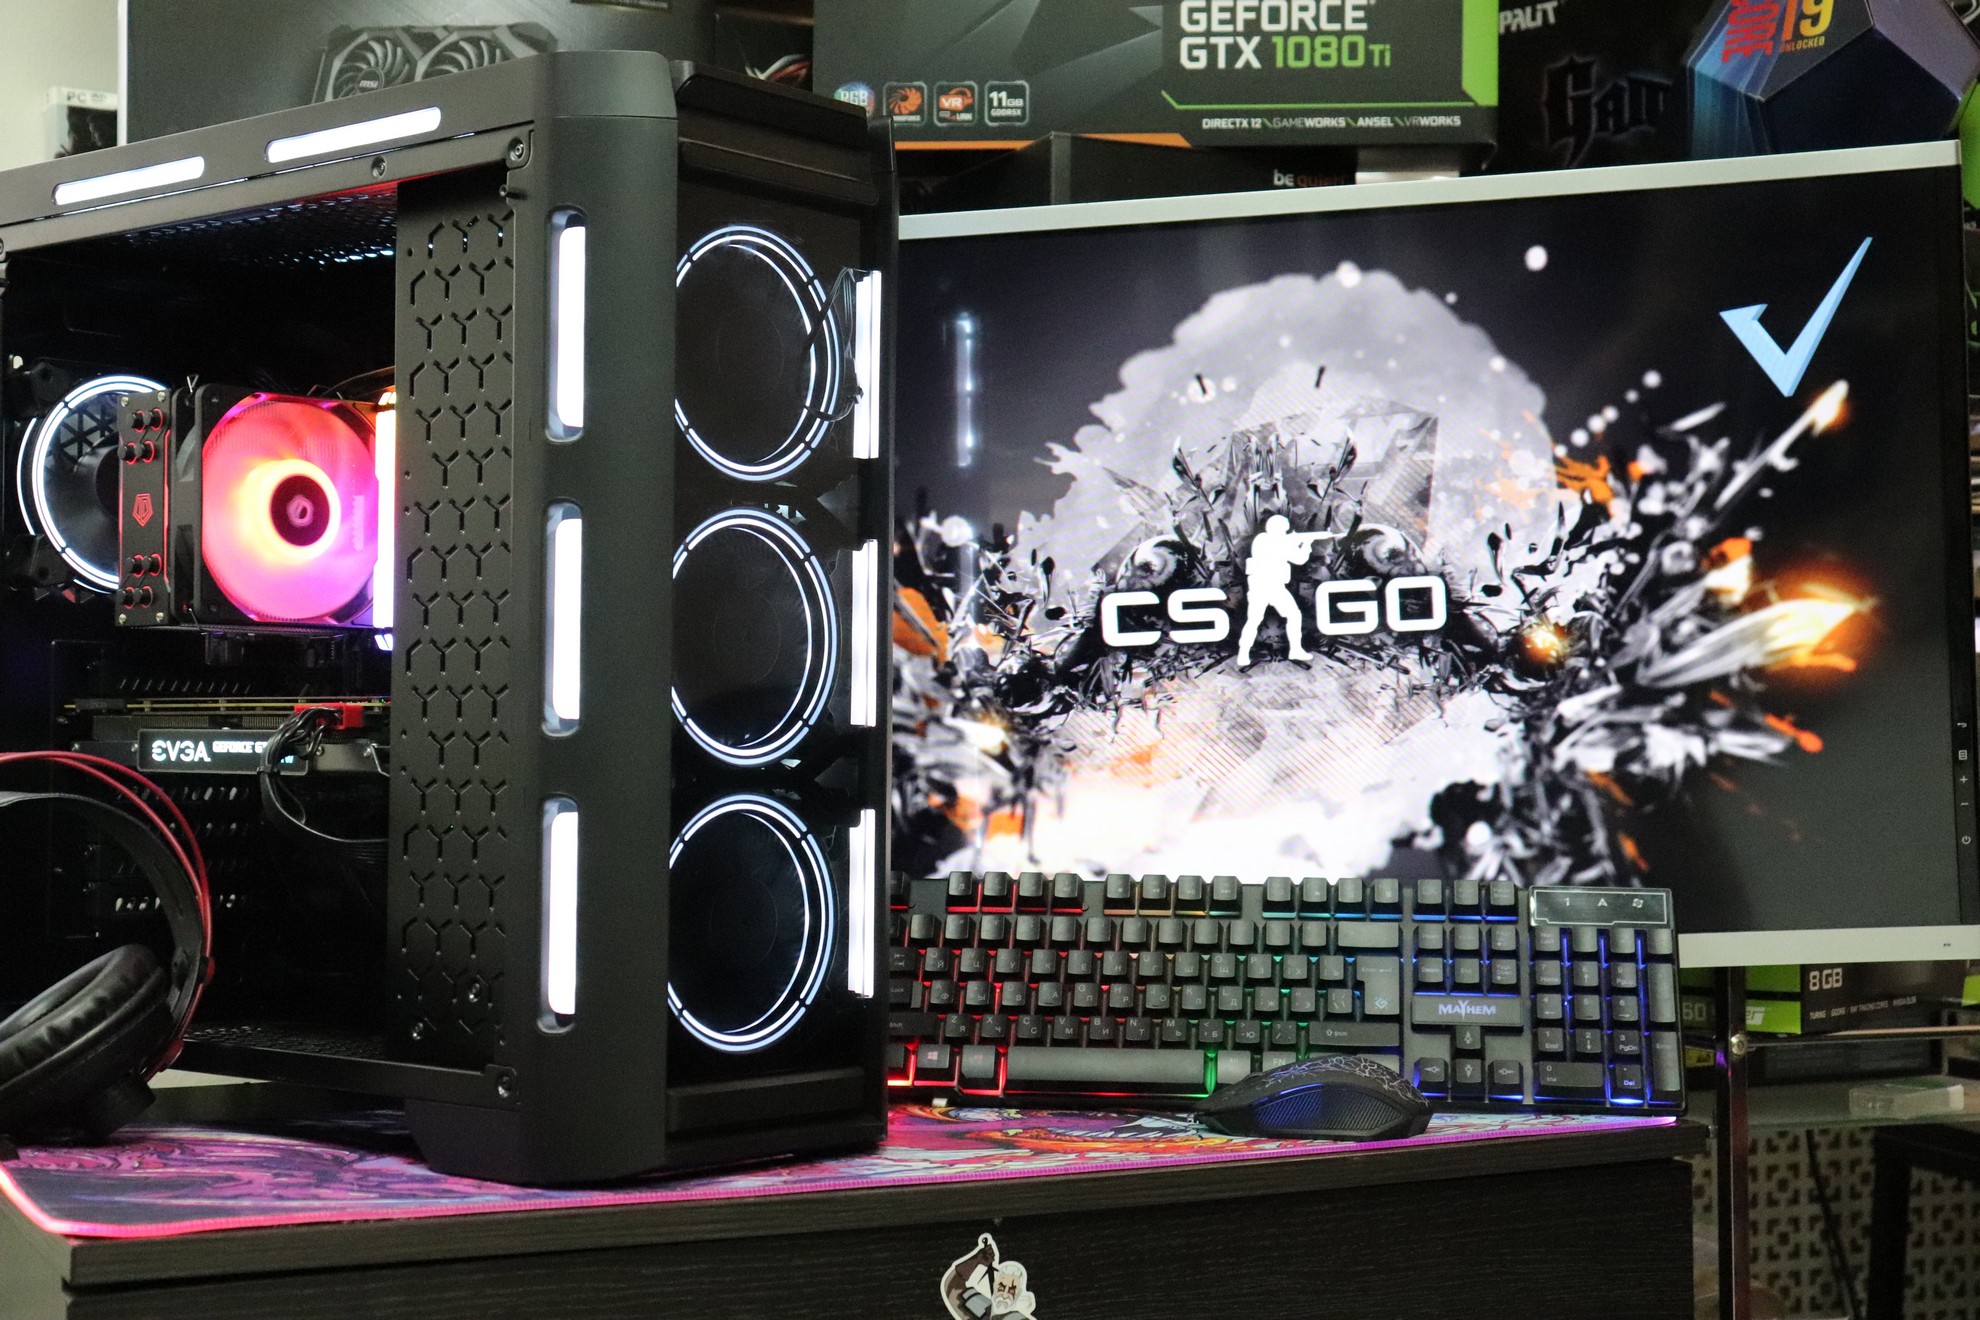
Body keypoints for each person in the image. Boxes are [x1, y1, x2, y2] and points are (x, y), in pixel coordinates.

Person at [1235, 514, 1335, 668]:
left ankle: (1295, 649)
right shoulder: (1264, 539)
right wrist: (1300, 543)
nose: (1285, 532)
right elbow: (1296, 557)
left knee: (1293, 615)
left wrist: (1305, 543)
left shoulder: (1275, 541)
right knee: (1255, 620)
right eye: (1283, 529)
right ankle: (1243, 653)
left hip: (1274, 586)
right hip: (1264, 586)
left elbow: (1299, 559)